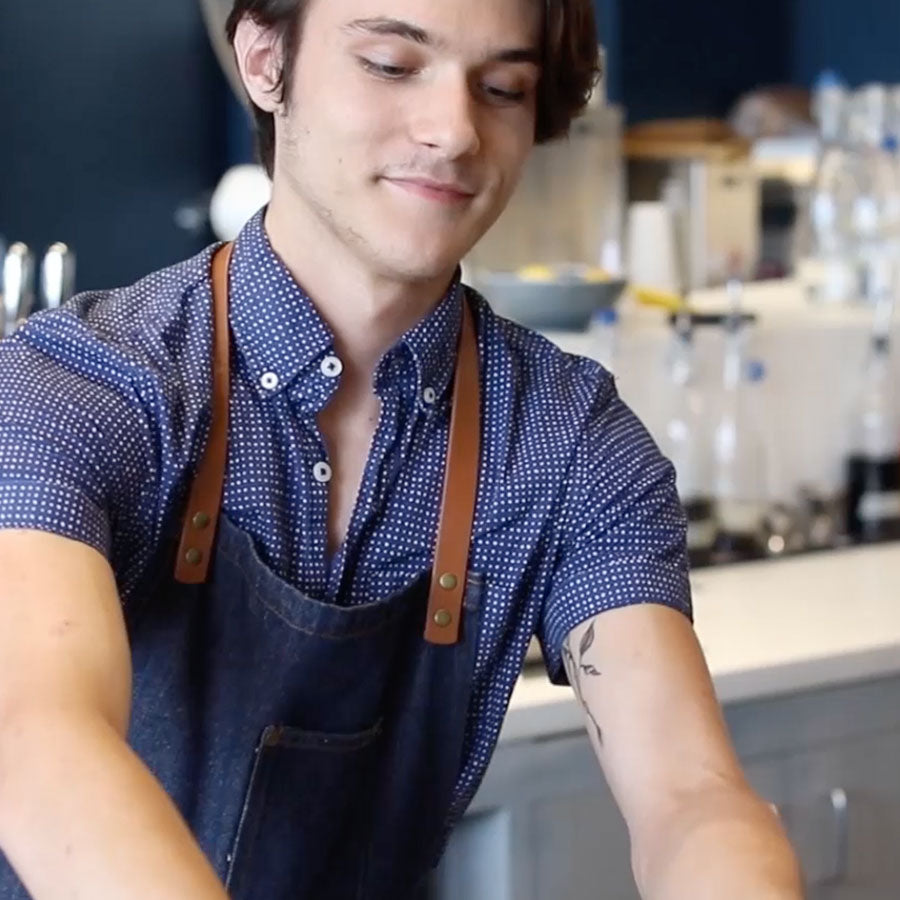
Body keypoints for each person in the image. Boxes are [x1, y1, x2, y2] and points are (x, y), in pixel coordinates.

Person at [0, 0, 803, 897]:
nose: (453, 131)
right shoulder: (80, 387)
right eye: (390, 64)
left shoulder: (568, 444)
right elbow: (39, 737)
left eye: (502, 88)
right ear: (265, 60)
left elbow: (691, 798)